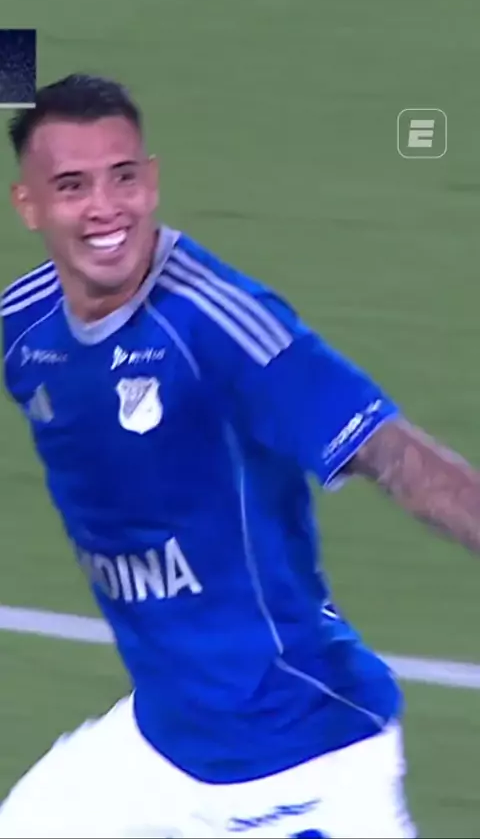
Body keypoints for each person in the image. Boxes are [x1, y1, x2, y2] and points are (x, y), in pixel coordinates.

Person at [0, 73, 478, 839]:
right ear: (29, 205)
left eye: (123, 178)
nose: (104, 207)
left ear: (152, 181)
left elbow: (392, 454)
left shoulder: (223, 326)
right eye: (71, 186)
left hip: (301, 761)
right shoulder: (27, 328)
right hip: (160, 750)